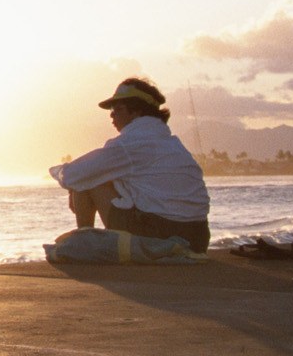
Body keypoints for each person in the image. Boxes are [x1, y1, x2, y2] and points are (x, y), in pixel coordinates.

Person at [49, 77, 210, 253]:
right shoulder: (171, 143)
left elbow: (73, 175)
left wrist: (69, 181)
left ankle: (83, 243)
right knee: (91, 177)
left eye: (117, 108)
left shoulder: (130, 143)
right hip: (198, 237)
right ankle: (86, 240)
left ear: (136, 111)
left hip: (161, 234)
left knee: (85, 182)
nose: (111, 114)